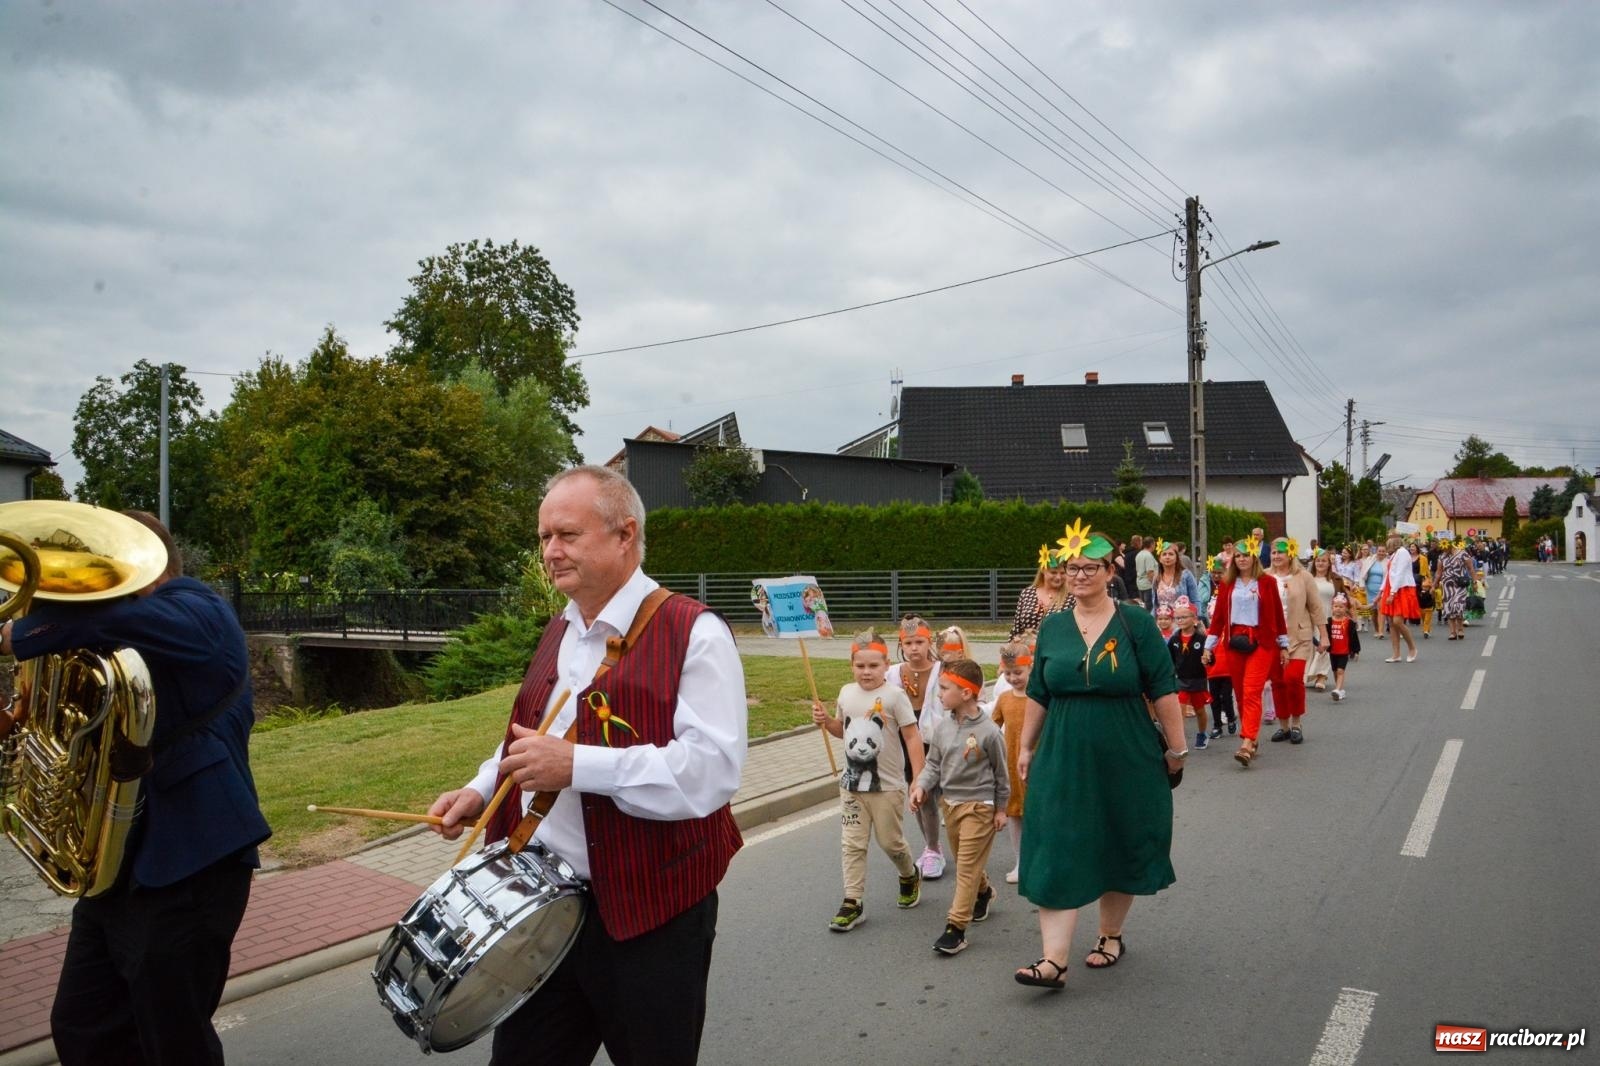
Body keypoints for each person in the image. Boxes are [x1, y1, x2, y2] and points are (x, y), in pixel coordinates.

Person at [428, 466, 746, 1066]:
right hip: (544, 908)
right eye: (545, 537)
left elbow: (710, 772)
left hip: (653, 917)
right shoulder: (562, 628)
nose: (551, 552)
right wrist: (480, 787)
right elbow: (529, 738)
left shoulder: (695, 632)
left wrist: (578, 766)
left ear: (625, 535)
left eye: (567, 535)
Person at [2, 508, 271, 1066]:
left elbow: (94, 623)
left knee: (172, 1040)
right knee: (83, 1024)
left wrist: (16, 633)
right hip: (117, 862)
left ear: (140, 564)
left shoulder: (200, 610)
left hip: (192, 858)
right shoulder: (119, 623)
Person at [1012, 524, 1185, 991]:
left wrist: (1176, 748)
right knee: (1054, 842)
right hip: (1063, 749)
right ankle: (1054, 961)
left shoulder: (1136, 622)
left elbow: (1164, 689)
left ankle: (1110, 935)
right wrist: (1026, 745)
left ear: (1110, 572)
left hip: (1126, 749)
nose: (1080, 575)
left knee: (1118, 837)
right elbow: (1039, 691)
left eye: (1091, 568)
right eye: (1073, 568)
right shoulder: (1052, 627)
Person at [811, 628, 924, 931]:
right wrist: (826, 722)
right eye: (860, 665)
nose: (866, 671)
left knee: (890, 843)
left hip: (887, 786)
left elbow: (912, 736)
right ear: (851, 665)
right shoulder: (847, 693)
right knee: (852, 845)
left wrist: (918, 779)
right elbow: (842, 731)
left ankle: (908, 873)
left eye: (873, 665)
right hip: (851, 786)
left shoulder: (894, 696)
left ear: (887, 665)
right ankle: (853, 902)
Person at [911, 658, 1008, 957]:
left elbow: (1003, 775)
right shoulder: (942, 728)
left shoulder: (990, 732)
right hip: (949, 804)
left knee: (965, 868)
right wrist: (921, 786)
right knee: (968, 862)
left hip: (979, 807)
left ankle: (956, 928)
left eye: (943, 688)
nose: (938, 694)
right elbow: (933, 765)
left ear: (966, 693)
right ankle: (984, 892)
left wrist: (1001, 809)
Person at [1202, 540, 1288, 768]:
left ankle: (1247, 743)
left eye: (1246, 555)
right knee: (1240, 693)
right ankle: (1252, 735)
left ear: (1254, 558)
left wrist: (1283, 645)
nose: (1242, 559)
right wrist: (1208, 647)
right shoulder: (1228, 584)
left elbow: (1278, 614)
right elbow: (1219, 618)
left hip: (1261, 642)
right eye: (1238, 556)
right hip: (1234, 643)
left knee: (1252, 691)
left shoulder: (1267, 583)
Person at [887, 614, 946, 879]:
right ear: (901, 644)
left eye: (919, 642)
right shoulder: (892, 673)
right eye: (908, 642)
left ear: (928, 642)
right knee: (917, 796)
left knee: (929, 795)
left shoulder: (941, 669)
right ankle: (931, 846)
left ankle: (934, 848)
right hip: (906, 741)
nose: (914, 648)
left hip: (936, 742)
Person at [1267, 538, 1324, 746]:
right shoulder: (1265, 576)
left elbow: (1316, 607)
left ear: (1290, 553)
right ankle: (1283, 725)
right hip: (1273, 639)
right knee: (1278, 682)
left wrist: (1324, 635)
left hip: (1299, 637)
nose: (1276, 556)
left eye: (1280, 552)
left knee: (1292, 678)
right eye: (1273, 552)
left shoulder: (1304, 577)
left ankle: (1297, 723)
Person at [990, 635, 1034, 884]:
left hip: (1038, 765)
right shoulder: (1004, 699)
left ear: (1030, 667)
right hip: (1011, 765)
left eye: (1018, 672)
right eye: (1007, 673)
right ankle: (1020, 861)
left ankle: (1040, 858)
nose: (1013, 678)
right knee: (1015, 813)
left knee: (1038, 812)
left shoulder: (1040, 696)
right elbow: (992, 727)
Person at [1168, 598, 1210, 750]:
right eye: (1178, 618)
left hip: (1198, 679)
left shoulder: (1202, 639)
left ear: (1194, 619)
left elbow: (1211, 659)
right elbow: (1170, 659)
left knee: (1199, 710)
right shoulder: (1174, 639)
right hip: (1181, 680)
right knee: (1180, 710)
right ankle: (1179, 740)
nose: (1180, 620)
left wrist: (1208, 659)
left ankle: (1202, 733)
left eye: (1184, 617)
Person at [1011, 546, 1073, 638]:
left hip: (1057, 650)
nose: (1058, 577)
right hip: (1028, 650)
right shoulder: (1027, 593)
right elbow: (1016, 630)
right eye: (1053, 572)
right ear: (1043, 570)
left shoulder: (1072, 596)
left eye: (1062, 573)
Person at [1304, 552, 1345, 690]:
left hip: (1329, 616)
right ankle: (1310, 673)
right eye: (1318, 561)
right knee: (1312, 646)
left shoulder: (1335, 579)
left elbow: (1343, 598)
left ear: (1329, 564)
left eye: (1323, 561)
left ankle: (1321, 676)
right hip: (1310, 617)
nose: (1320, 563)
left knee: (1325, 646)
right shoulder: (1308, 578)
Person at [1379, 534, 1420, 663]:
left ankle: (1412, 647)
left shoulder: (1402, 552)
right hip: (1392, 588)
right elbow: (1389, 575)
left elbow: (1400, 573)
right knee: (1391, 623)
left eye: (1388, 543)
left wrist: (1392, 593)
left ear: (1393, 543)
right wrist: (1381, 591)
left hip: (1402, 589)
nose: (1387, 546)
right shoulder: (1394, 555)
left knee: (1397, 621)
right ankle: (1396, 654)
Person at [1325, 594, 1361, 701]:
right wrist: (1323, 646)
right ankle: (1339, 690)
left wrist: (1356, 650)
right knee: (1335, 671)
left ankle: (1337, 689)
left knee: (1340, 671)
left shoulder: (1349, 622)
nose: (1338, 609)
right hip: (1333, 651)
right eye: (1336, 606)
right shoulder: (1329, 621)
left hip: (1344, 651)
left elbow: (1354, 637)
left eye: (1341, 607)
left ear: (1345, 609)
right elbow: (1325, 636)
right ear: (1332, 608)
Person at [1436, 539, 1472, 640]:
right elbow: (1439, 572)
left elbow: (1470, 568)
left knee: (1458, 606)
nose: (1444, 550)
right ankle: (1452, 632)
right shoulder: (1442, 556)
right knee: (1449, 607)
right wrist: (1434, 585)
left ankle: (1460, 629)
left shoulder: (1462, 554)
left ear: (1450, 546)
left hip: (1460, 584)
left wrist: (1475, 581)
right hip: (1447, 585)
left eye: (1445, 548)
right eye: (1442, 549)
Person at [1152, 543, 1201, 616]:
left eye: (1171, 554)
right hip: (1163, 621)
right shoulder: (1157, 577)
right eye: (1164, 554)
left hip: (1181, 620)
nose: (1167, 557)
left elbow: (1195, 600)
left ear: (1176, 558)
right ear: (1160, 559)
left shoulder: (1186, 575)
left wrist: (1197, 618)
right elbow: (1155, 604)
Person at [1133, 535, 1159, 609]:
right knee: (1150, 607)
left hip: (1140, 584)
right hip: (1148, 585)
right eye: (1154, 544)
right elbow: (1150, 572)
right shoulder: (1148, 556)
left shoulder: (1139, 554)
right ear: (1151, 544)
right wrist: (1155, 585)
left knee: (1143, 606)